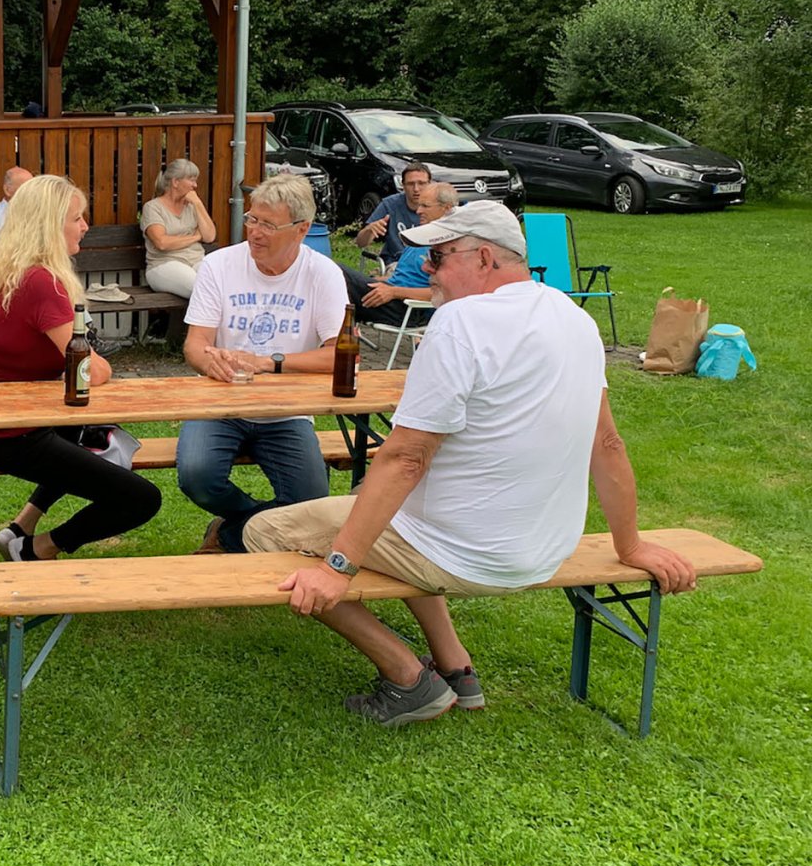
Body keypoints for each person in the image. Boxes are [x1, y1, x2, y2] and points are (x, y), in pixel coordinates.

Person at [252, 200, 697, 726]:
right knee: (370, 505)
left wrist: (336, 568)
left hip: (465, 552)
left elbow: (406, 457)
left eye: (439, 257)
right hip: (544, 550)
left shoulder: (460, 322)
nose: (427, 270)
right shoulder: (574, 318)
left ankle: (406, 678)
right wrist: (631, 545)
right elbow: (609, 444)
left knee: (263, 532)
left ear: (484, 258)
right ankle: (456, 665)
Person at [0, 175, 160, 561]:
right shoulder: (44, 283)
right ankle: (36, 549)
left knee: (85, 425)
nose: (85, 226)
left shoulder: (9, 271)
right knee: (142, 498)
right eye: (77, 218)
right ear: (50, 225)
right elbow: (93, 370)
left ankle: (21, 526)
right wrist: (88, 366)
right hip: (18, 437)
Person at [176, 173, 347, 554]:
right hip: (221, 403)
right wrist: (211, 363)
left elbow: (341, 355)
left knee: (311, 503)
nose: (254, 232)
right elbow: (195, 344)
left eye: (268, 224)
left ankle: (229, 535)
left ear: (302, 229)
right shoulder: (219, 265)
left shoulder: (323, 273)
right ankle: (260, 527)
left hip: (287, 411)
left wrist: (270, 362)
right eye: (252, 219)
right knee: (197, 477)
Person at [336, 180, 456, 327]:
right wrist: (376, 281)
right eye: (419, 205)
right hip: (389, 297)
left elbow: (445, 293)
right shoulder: (419, 238)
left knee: (335, 271)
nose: (418, 211)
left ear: (446, 209)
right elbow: (404, 277)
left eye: (425, 206)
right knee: (332, 282)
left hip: (409, 308)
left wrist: (393, 292)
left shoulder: (450, 247)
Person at [140, 158, 218, 299]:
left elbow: (209, 237)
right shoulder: (153, 207)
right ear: (175, 182)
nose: (195, 185)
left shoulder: (192, 206)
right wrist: (196, 237)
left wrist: (198, 203)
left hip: (196, 261)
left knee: (221, 284)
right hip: (164, 264)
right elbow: (162, 243)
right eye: (191, 180)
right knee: (201, 289)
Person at [354, 161, 431, 266]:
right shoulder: (389, 205)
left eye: (421, 183)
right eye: (410, 184)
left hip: (427, 263)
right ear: (403, 185)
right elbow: (360, 243)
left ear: (429, 184)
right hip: (396, 264)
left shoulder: (438, 207)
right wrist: (369, 230)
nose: (416, 189)